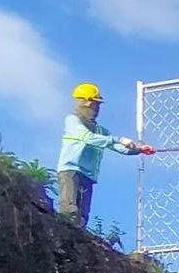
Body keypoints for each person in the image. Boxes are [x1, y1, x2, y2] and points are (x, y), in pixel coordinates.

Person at [57, 83, 154, 227]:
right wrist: (118, 139)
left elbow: (119, 148)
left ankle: (78, 240)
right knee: (70, 210)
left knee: (83, 215)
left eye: (98, 105)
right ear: (86, 102)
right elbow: (87, 137)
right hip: (71, 170)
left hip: (88, 174)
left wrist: (139, 149)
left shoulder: (101, 130)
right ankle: (64, 235)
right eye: (95, 104)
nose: (97, 109)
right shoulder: (72, 120)